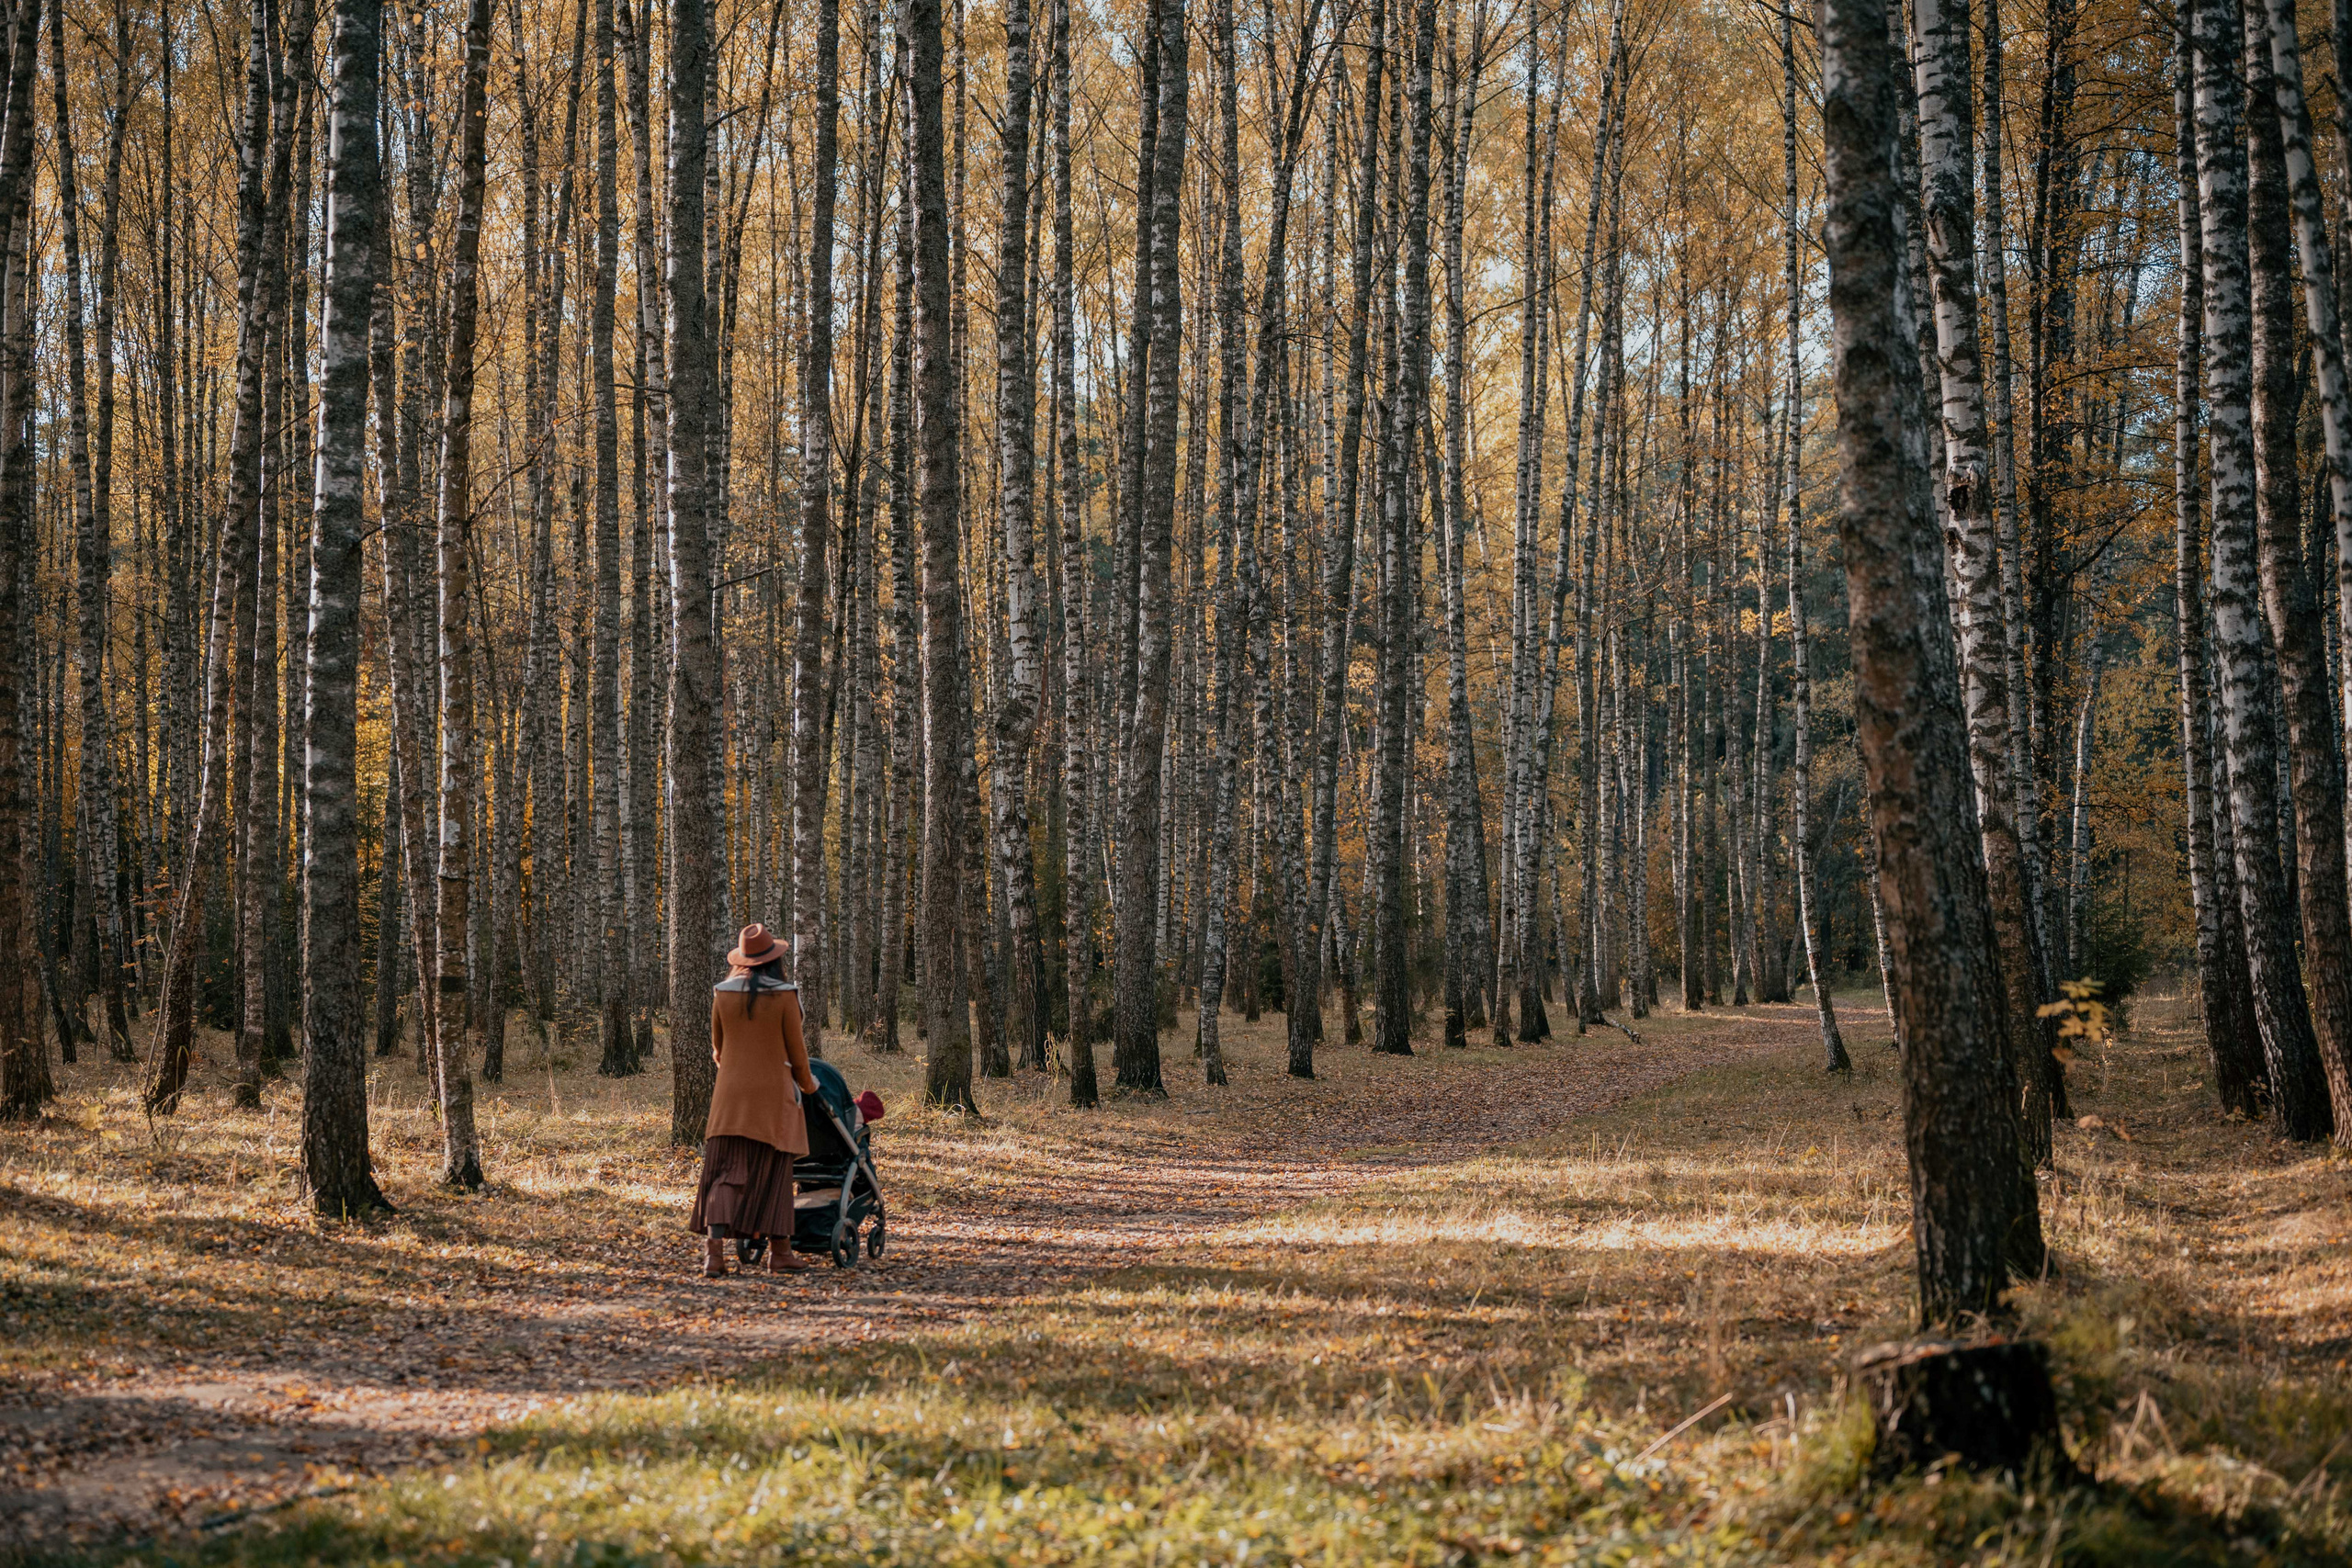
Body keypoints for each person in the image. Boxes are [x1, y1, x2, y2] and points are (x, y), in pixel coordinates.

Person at [688, 923, 820, 1278]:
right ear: (774, 960)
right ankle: (780, 1254)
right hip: (772, 1100)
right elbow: (798, 1054)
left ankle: (714, 1256)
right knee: (775, 1176)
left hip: (728, 1101)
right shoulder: (785, 995)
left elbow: (718, 1051)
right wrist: (809, 1087)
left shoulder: (722, 993)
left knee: (724, 1175)